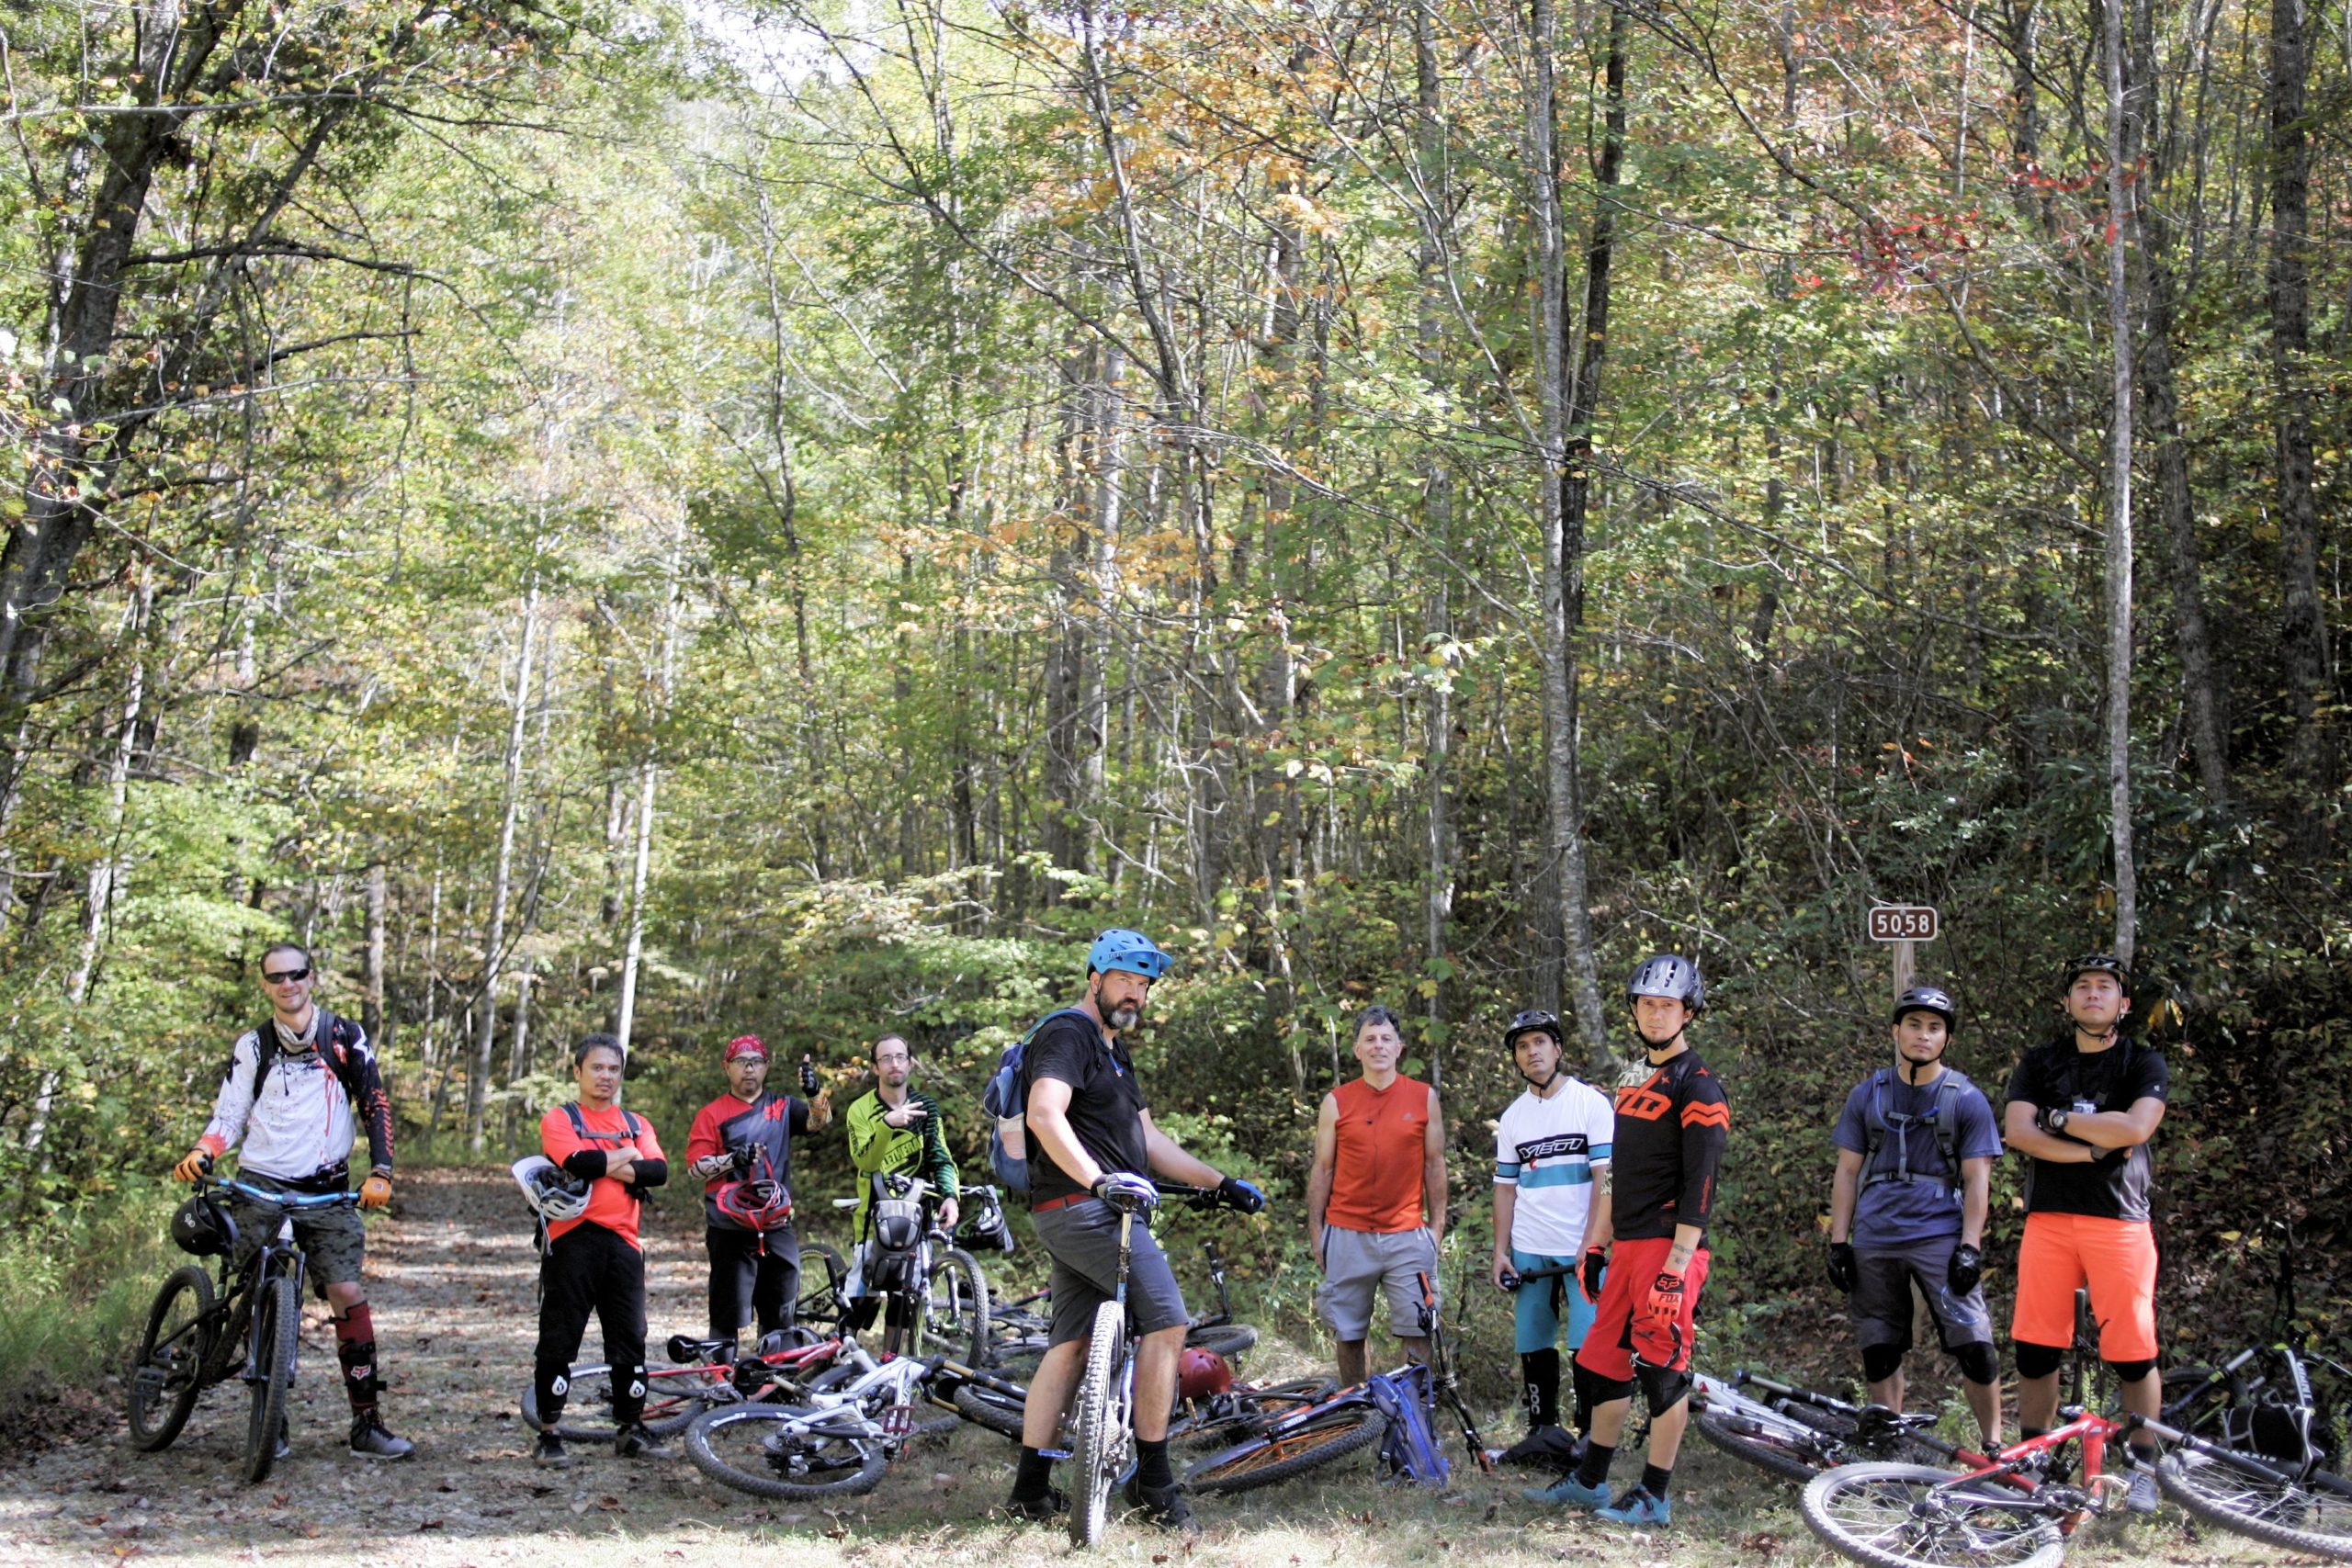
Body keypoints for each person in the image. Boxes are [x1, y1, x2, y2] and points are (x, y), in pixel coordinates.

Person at [1002, 928, 1265, 1531]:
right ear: (1095, 978)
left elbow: (1148, 1140)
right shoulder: (1069, 1033)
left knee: (1068, 1348)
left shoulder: (1114, 1050)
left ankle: (1029, 1491)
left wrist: (1219, 1181)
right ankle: (1152, 1485)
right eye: (1125, 978)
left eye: (1145, 984)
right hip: (1089, 1208)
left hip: (1082, 1211)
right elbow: (1044, 1113)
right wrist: (1099, 1180)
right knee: (1168, 1322)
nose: (1136, 993)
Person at [172, 942, 413, 1461]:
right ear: (265, 984)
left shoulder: (345, 1037)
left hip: (327, 1189)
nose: (287, 984)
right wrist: (203, 1149)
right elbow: (230, 1114)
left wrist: (382, 1171)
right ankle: (268, 1414)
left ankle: (367, 1422)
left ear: (311, 977)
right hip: (260, 1183)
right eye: (276, 977)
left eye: (296, 974)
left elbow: (374, 1101)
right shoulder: (253, 1046)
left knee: (346, 1290)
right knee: (253, 1288)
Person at [1532, 954, 1728, 1527]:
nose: (1657, 1014)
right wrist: (1596, 1243)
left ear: (1688, 1012)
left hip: (1672, 1247)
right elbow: (1617, 1170)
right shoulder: (1632, 1078)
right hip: (1627, 1248)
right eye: (1648, 1004)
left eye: (1668, 1005)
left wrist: (1676, 1267)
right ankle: (1591, 1480)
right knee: (1602, 1365)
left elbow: (1703, 1184)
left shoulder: (1699, 1083)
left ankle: (1654, 1495)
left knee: (1664, 1370)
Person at [2002, 954, 2169, 1513]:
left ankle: (2142, 1465)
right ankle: (2033, 1461)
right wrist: (2095, 1145)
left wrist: (2057, 1120)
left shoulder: (2142, 1060)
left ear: (2122, 1004)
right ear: (2067, 1001)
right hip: (2049, 1219)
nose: (2092, 994)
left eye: (2105, 987)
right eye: (2082, 987)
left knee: (2132, 1351)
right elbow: (2019, 1132)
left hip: (2119, 1219)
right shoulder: (2040, 1060)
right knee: (2034, 1347)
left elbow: (2137, 1126)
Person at [1826, 986, 2003, 1449]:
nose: (1923, 1036)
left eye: (1934, 1028)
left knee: (1975, 1346)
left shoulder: (1966, 1099)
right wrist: (1838, 1242)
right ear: (1895, 1031)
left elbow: (1977, 1179)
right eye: (1914, 1025)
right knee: (1880, 1348)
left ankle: (1993, 1447)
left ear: (1946, 1038)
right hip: (1875, 1236)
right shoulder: (1868, 1094)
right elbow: (1847, 1171)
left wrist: (1970, 1247)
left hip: (1939, 1235)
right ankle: (1888, 1447)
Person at [527, 1034, 671, 1469]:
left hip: (624, 1243)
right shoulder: (560, 1117)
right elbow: (575, 1162)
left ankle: (631, 1430)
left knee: (631, 1338)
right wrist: (625, 1160)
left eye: (613, 1069)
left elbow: (659, 1171)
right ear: (578, 1072)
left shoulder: (636, 1123)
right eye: (597, 1068)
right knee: (560, 1335)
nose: (605, 1076)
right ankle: (549, 1434)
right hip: (572, 1239)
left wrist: (604, 1159)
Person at [1487, 1008, 1614, 1469]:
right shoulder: (1514, 1117)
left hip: (1582, 1246)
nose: (1532, 1051)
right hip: (1530, 1246)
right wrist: (1501, 1251)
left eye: (1540, 1042)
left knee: (1587, 1342)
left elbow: (1608, 1179)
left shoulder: (1591, 1104)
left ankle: (1587, 1435)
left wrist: (1593, 1244)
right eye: (1522, 1046)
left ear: (1557, 1049)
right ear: (1517, 1059)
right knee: (1534, 1338)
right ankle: (1542, 1430)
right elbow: (1505, 1188)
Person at [1306, 1005, 1446, 1389]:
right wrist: (1317, 1231)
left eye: (1386, 1039)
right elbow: (1323, 1169)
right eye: (1370, 1039)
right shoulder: (1337, 1101)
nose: (1378, 1046)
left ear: (1399, 1048)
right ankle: (1357, 1410)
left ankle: (1414, 1416)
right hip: (1347, 1232)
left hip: (1407, 1234)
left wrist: (1436, 1227)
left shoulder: (1423, 1098)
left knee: (1417, 1328)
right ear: (1357, 1050)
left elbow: (1435, 1164)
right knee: (1349, 1333)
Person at [683, 1034, 831, 1352]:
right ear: (727, 1067)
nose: (748, 1069)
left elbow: (821, 1123)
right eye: (740, 1062)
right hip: (729, 1227)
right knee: (727, 1313)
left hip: (776, 1224)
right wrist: (731, 1159)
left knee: (780, 1313)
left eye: (756, 1062)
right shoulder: (712, 1114)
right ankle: (721, 1385)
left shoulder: (781, 1107)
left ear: (766, 1067)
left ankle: (775, 1387)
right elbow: (695, 1168)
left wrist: (814, 1093)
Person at [843, 1032, 959, 1311]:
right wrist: (887, 1124)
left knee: (907, 1306)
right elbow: (866, 1163)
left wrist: (950, 1196)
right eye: (886, 1058)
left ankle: (891, 1357)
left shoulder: (926, 1108)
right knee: (859, 1309)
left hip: (917, 1220)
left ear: (910, 1064)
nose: (894, 1063)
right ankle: (844, 1351)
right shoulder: (860, 1110)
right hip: (872, 1222)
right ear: (875, 1068)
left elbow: (940, 1158)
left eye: (900, 1057)